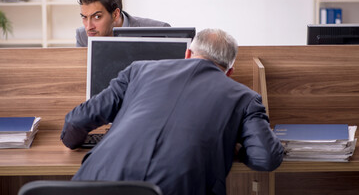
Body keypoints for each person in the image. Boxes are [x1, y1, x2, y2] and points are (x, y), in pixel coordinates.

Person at [61, 28, 283, 195]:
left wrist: (75, 142)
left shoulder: (139, 70)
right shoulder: (245, 97)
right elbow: (266, 158)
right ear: (230, 71)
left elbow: (76, 122)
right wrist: (233, 149)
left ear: (187, 54)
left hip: (95, 182)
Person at [76, 0, 170, 47]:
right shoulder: (82, 36)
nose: (88, 27)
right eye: (84, 17)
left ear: (115, 14)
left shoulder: (159, 32)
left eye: (97, 17)